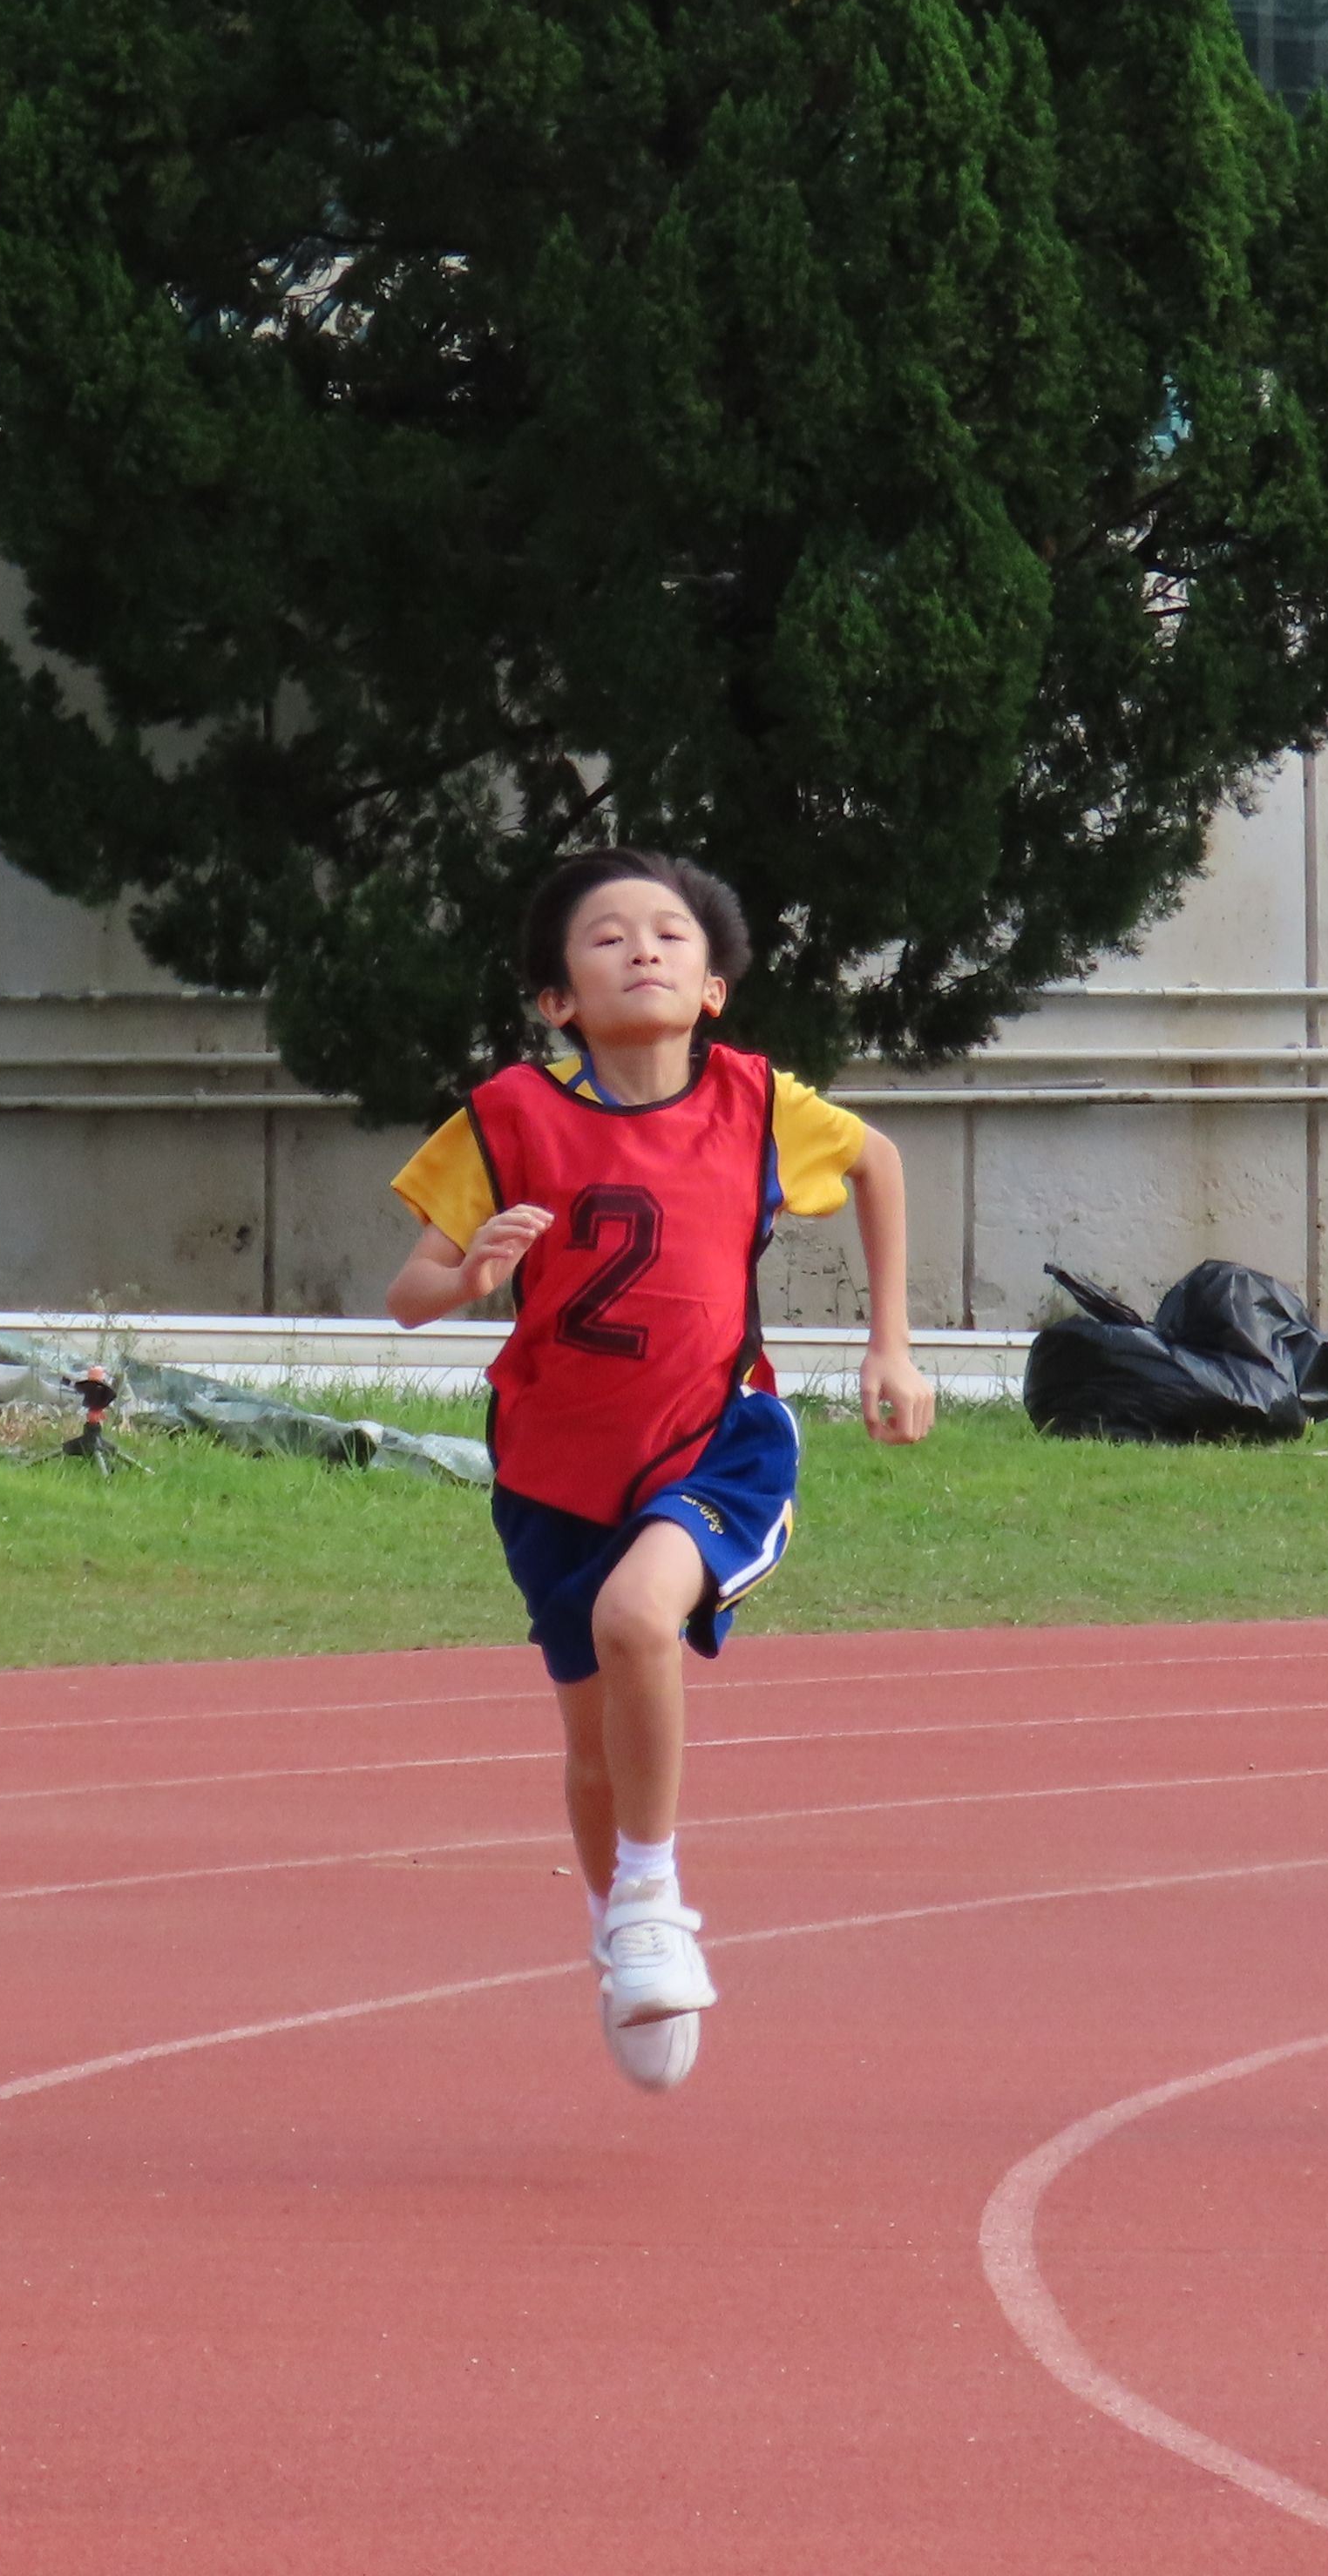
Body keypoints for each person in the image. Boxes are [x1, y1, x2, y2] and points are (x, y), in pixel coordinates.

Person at [387, 849, 932, 2093]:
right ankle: (619, 1929)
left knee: (639, 1618)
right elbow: (408, 1292)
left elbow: (878, 1162)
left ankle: (652, 1897)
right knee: (592, 1746)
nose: (644, 948)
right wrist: (470, 1274)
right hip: (553, 1465)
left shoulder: (755, 1103)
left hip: (715, 1437)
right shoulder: (507, 1118)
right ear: (556, 1000)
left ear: (714, 988)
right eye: (607, 936)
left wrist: (890, 1345)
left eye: (671, 934)